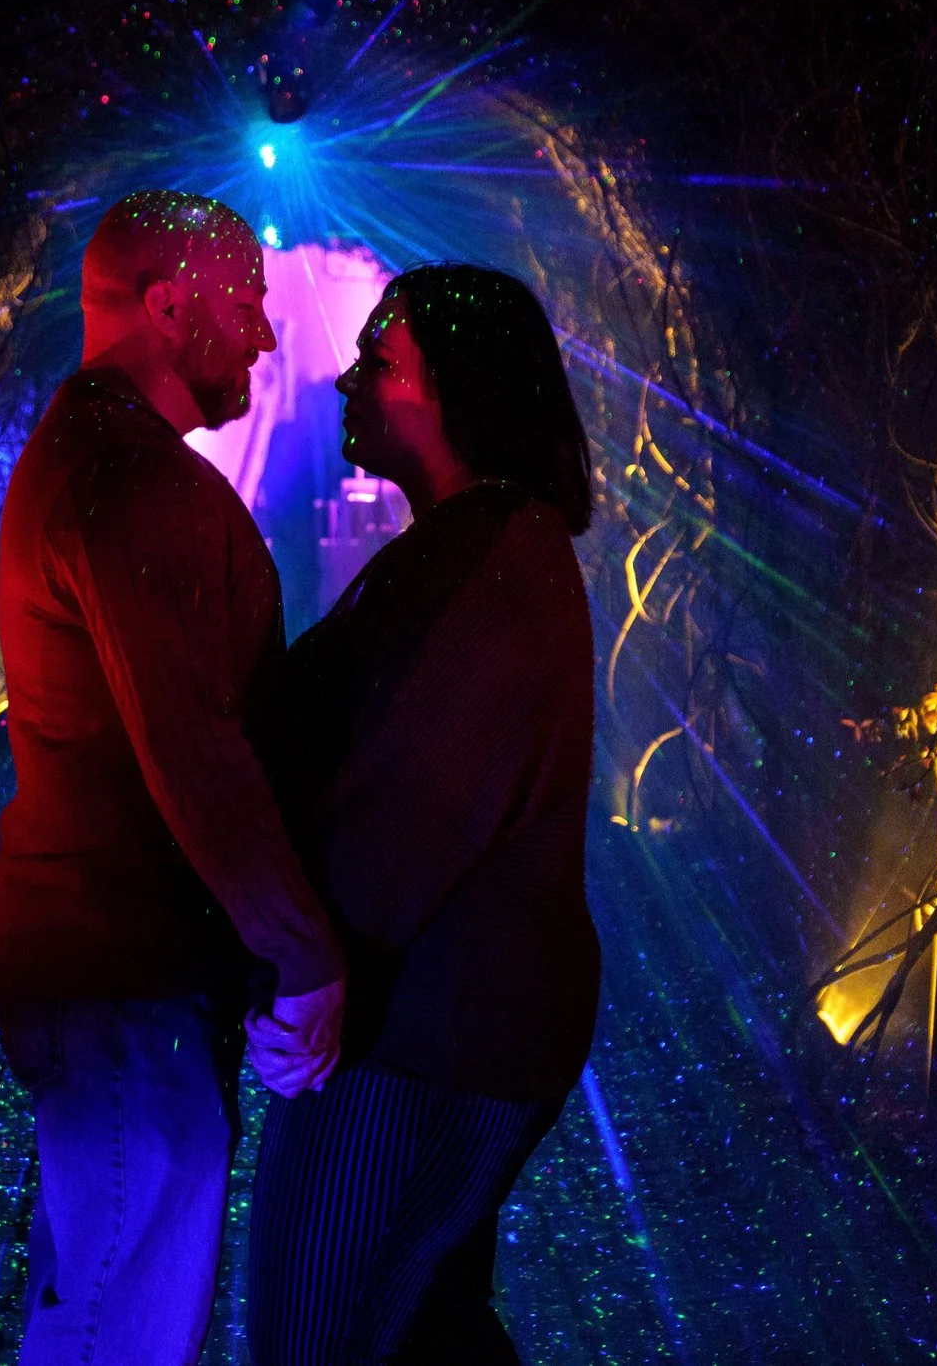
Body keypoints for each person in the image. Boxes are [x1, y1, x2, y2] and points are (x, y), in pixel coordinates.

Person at [0, 190, 349, 1364]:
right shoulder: (132, 482)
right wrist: (302, 953)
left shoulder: (87, 452)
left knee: (93, 1286)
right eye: (245, 300)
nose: (264, 334)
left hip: (105, 967)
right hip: (127, 972)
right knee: (117, 1320)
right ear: (168, 301)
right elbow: (194, 748)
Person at [244, 262, 602, 1366]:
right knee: (418, 1328)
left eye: (380, 358)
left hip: (423, 1034)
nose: (348, 377)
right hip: (440, 1022)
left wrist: (309, 970)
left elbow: (416, 797)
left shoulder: (500, 558)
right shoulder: (475, 546)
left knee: (323, 1331)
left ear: (460, 389)